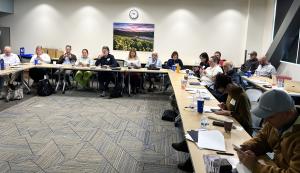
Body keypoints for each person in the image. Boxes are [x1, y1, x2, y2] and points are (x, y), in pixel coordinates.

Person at [172, 74, 252, 172]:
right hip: (230, 123)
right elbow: (232, 108)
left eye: (223, 90)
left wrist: (229, 112)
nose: (224, 93)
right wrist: (225, 107)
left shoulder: (241, 96)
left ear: (227, 86)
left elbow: (245, 119)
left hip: (242, 131)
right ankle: (186, 148)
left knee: (210, 137)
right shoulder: (231, 92)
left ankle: (189, 161)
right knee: (206, 129)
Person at [236, 89, 300, 173]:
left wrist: (255, 167)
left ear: (288, 113)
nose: (265, 121)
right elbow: (263, 138)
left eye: (270, 117)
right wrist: (247, 147)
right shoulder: (276, 122)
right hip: (274, 165)